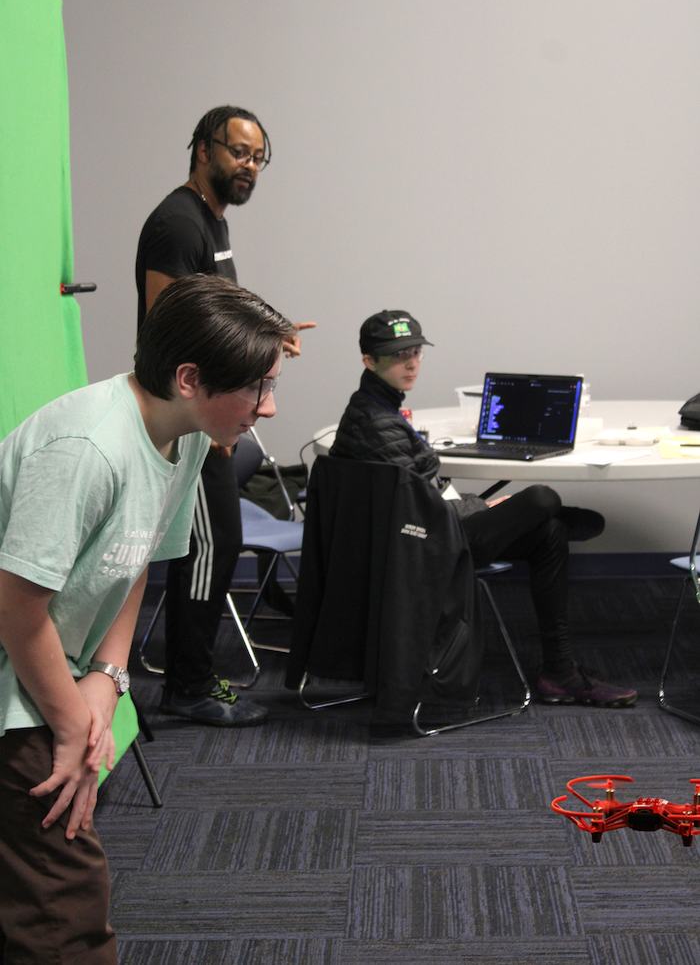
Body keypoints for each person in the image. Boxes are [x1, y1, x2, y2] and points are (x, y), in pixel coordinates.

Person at [0, 275, 293, 962]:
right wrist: (72, 720)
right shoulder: (88, 449)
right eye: (256, 388)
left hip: (50, 662)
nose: (269, 407)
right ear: (190, 378)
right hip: (17, 660)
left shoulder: (184, 434)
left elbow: (133, 562)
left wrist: (107, 676)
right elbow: (16, 608)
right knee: (63, 902)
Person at [330, 309, 638, 708]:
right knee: (542, 499)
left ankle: (559, 671)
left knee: (550, 532)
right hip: (421, 548)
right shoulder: (375, 423)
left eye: (415, 352)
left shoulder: (379, 409)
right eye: (396, 355)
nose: (410, 363)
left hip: (427, 532)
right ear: (368, 361)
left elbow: (425, 494)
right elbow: (420, 509)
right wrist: (481, 510)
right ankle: (549, 520)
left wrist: (482, 505)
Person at [135, 105, 314, 727]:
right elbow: (170, 331)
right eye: (240, 152)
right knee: (211, 546)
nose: (250, 167)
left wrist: (266, 334)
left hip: (207, 415)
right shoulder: (177, 224)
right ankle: (187, 685)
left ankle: (192, 676)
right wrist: (207, 422)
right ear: (203, 148)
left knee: (215, 543)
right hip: (190, 418)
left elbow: (213, 310)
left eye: (259, 157)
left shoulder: (212, 222)